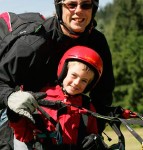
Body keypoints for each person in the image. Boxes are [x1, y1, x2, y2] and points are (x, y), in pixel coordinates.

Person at [0, 0, 115, 149]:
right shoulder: (33, 42)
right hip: (19, 118)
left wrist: (92, 133)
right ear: (59, 7)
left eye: (86, 5)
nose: (79, 11)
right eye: (72, 4)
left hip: (67, 124)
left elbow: (102, 96)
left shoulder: (97, 42)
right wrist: (10, 97)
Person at [8, 46, 109, 150]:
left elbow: (92, 132)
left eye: (84, 81)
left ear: (89, 85)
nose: (76, 83)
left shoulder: (87, 106)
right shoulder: (42, 97)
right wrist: (15, 116)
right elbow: (23, 134)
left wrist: (94, 139)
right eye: (74, 75)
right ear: (64, 71)